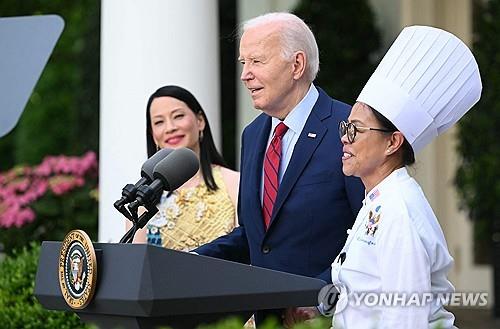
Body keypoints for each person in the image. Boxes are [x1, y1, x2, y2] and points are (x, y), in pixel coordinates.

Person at [194, 12, 365, 324]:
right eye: (243, 62)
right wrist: (189, 261)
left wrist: (321, 297)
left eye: (256, 61)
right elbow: (254, 236)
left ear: (296, 65)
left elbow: (369, 234)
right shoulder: (254, 134)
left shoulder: (350, 128)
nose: (245, 75)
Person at [321, 26, 481, 328]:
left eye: (355, 130)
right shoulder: (378, 199)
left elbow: (405, 318)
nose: (344, 138)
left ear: (393, 142)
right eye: (345, 127)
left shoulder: (400, 211)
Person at [129, 85, 239, 251]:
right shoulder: (143, 196)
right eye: (159, 122)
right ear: (152, 134)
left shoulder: (234, 182)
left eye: (178, 116)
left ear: (200, 121)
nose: (170, 127)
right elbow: (135, 264)